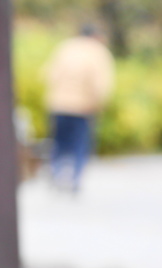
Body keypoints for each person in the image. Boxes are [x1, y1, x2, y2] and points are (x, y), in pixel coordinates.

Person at [43, 24, 115, 193]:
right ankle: (74, 179)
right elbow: (101, 84)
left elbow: (49, 74)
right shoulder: (97, 51)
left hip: (58, 104)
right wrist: (100, 103)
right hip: (83, 106)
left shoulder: (65, 47)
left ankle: (56, 173)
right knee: (79, 144)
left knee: (59, 142)